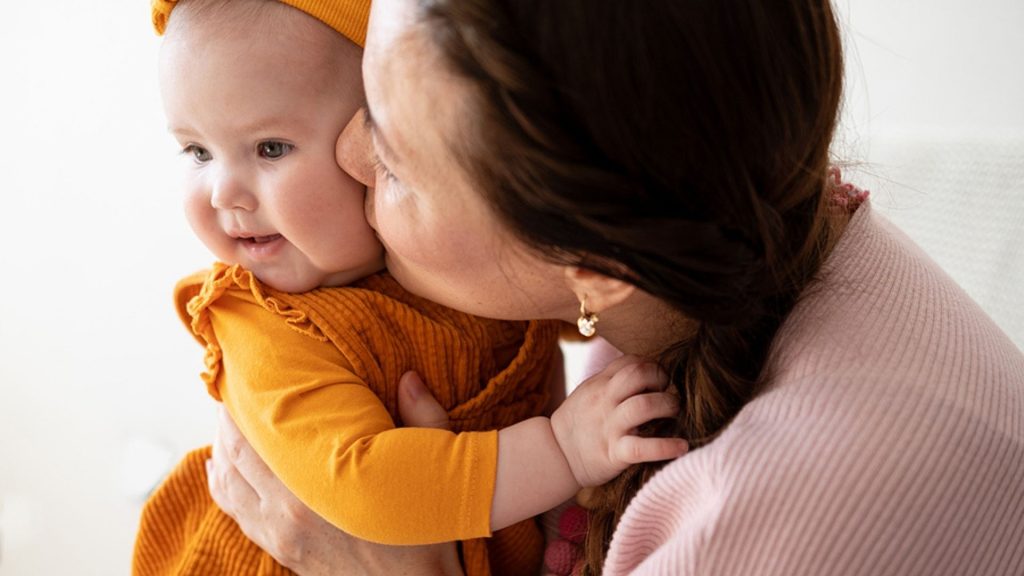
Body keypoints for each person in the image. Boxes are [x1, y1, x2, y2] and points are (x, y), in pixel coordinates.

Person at [204, 0, 1024, 574]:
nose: (346, 157)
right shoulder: (713, 244)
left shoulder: (793, 518)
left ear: (593, 264)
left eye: (393, 162)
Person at [133, 1, 686, 575]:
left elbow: (580, 295)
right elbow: (367, 483)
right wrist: (564, 450)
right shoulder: (264, 325)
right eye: (197, 151)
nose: (223, 192)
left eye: (271, 148)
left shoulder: (444, 261)